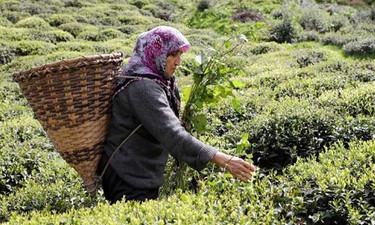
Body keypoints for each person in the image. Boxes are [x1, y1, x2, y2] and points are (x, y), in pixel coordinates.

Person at [97, 26, 256, 204]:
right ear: (156, 52)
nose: (179, 61)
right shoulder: (142, 87)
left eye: (180, 54)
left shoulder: (159, 80)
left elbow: (160, 121)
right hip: (127, 172)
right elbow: (171, 132)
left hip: (141, 170)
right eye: (173, 55)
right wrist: (222, 159)